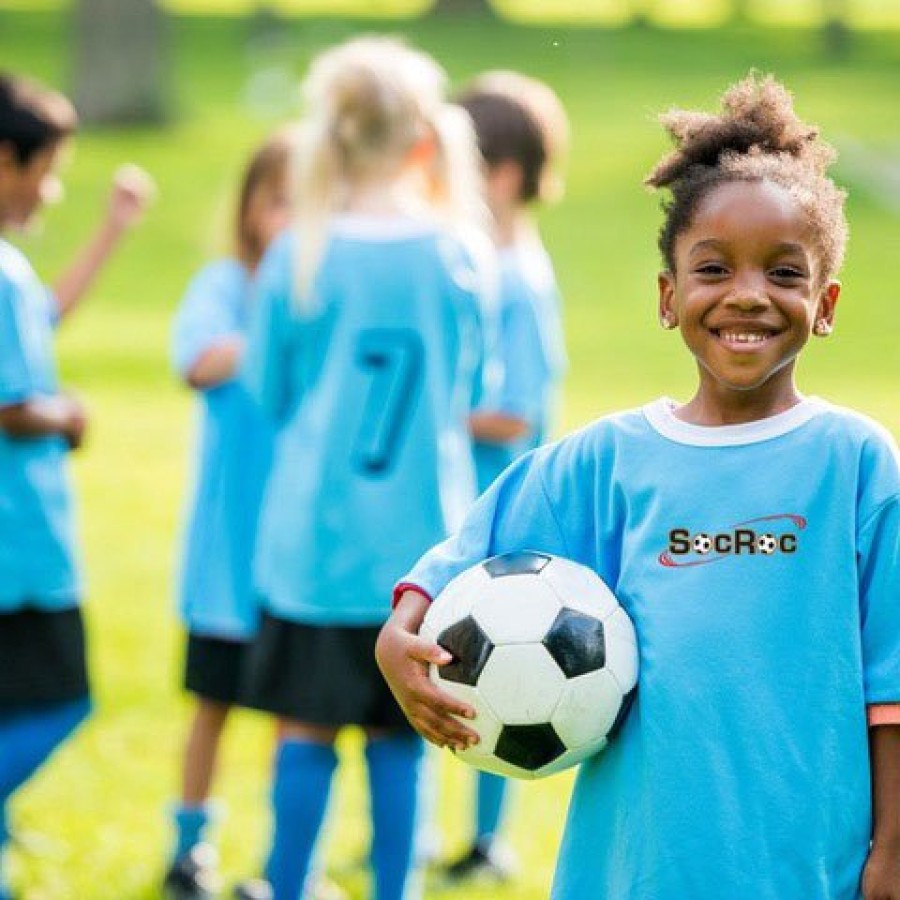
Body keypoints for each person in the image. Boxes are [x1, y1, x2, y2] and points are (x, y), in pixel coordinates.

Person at [377, 73, 900, 900]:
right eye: (714, 267)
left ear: (826, 302)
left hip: (811, 867)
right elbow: (464, 554)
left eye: (785, 274)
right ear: (668, 296)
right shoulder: (606, 461)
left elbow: (892, 689)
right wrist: (398, 632)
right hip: (637, 869)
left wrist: (892, 852)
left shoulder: (859, 465)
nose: (748, 295)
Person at [235, 36, 494, 900]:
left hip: (313, 543)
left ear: (331, 142)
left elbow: (267, 387)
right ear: (423, 141)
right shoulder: (458, 256)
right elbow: (475, 386)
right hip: (418, 551)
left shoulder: (299, 254)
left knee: (305, 730)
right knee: (397, 735)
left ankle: (288, 883)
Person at [0, 73, 153, 900]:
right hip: (19, 545)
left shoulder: (11, 276)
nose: (50, 189)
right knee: (64, 700)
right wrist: (65, 416)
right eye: (44, 169)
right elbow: (15, 402)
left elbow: (40, 323)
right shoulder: (2, 273)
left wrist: (112, 232)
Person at [437, 70, 569, 886]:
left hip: (503, 506)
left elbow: (513, 412)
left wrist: (435, 415)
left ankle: (487, 839)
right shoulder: (501, 259)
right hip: (478, 498)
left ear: (503, 175)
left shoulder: (514, 276)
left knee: (504, 677)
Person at [164, 130, 296, 900]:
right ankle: (190, 845)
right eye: (275, 202)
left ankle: (280, 858)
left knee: (290, 715)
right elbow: (198, 361)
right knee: (212, 704)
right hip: (227, 551)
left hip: (293, 555)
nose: (286, 220)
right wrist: (272, 330)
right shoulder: (225, 285)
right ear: (248, 209)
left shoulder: (327, 299)